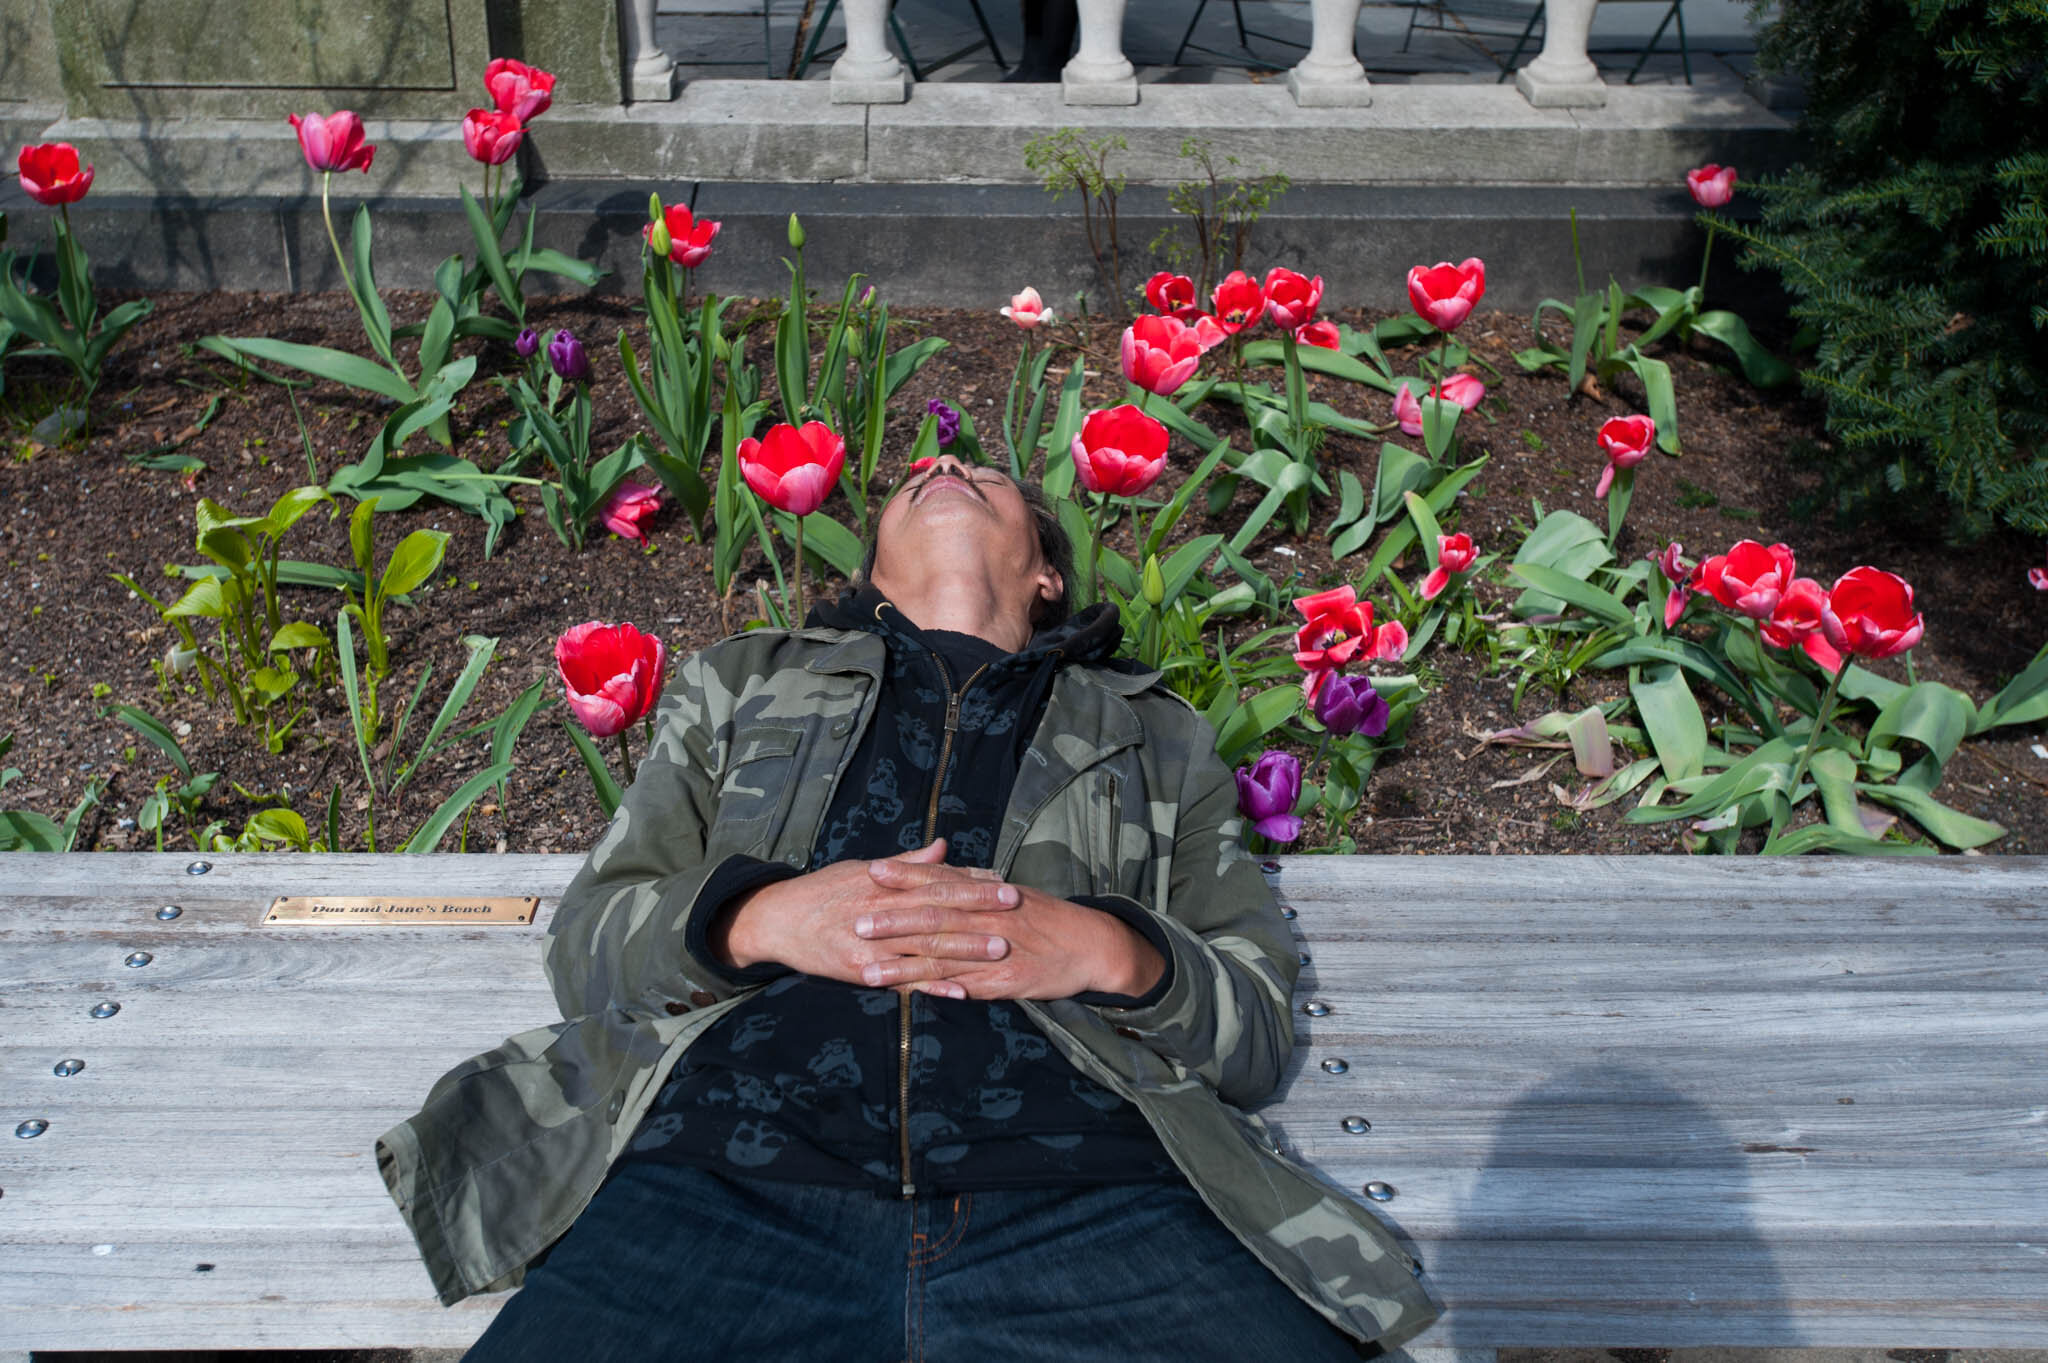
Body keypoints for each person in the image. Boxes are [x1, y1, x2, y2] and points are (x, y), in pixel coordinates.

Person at [377, 456, 1438, 1360]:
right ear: (870, 576)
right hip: (723, 1173)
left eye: (986, 478)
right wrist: (761, 919)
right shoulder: (744, 685)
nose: (945, 468)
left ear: (1047, 572)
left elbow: (1248, 1026)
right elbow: (591, 946)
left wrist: (1106, 948)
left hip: (1092, 1188)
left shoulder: (1154, 734)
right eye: (917, 479)